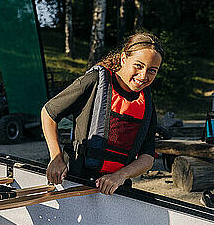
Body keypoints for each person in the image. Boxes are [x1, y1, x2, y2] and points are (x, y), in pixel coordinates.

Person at [42, 32, 164, 195]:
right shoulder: (94, 81)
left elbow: (147, 158)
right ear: (123, 59)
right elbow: (49, 113)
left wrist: (120, 176)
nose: (143, 76)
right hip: (76, 180)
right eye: (138, 65)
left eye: (152, 70)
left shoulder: (147, 103)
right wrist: (56, 157)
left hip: (116, 188)